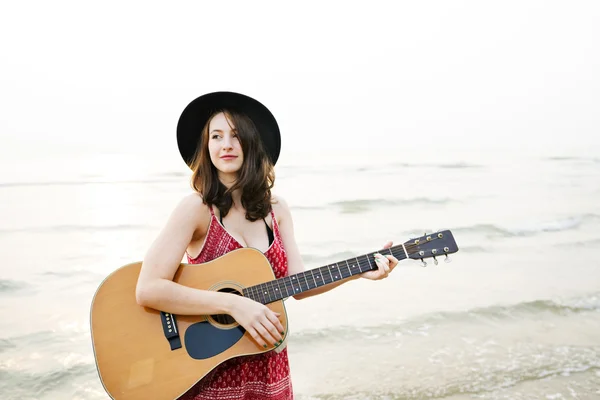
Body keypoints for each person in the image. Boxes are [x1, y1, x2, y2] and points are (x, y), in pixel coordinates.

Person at [135, 91, 399, 400]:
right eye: (216, 137)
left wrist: (358, 272)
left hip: (267, 362)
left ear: (252, 142)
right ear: (206, 148)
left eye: (236, 135)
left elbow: (297, 285)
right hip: (211, 366)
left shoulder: (278, 210)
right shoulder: (195, 209)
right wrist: (233, 303)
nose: (226, 145)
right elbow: (148, 288)